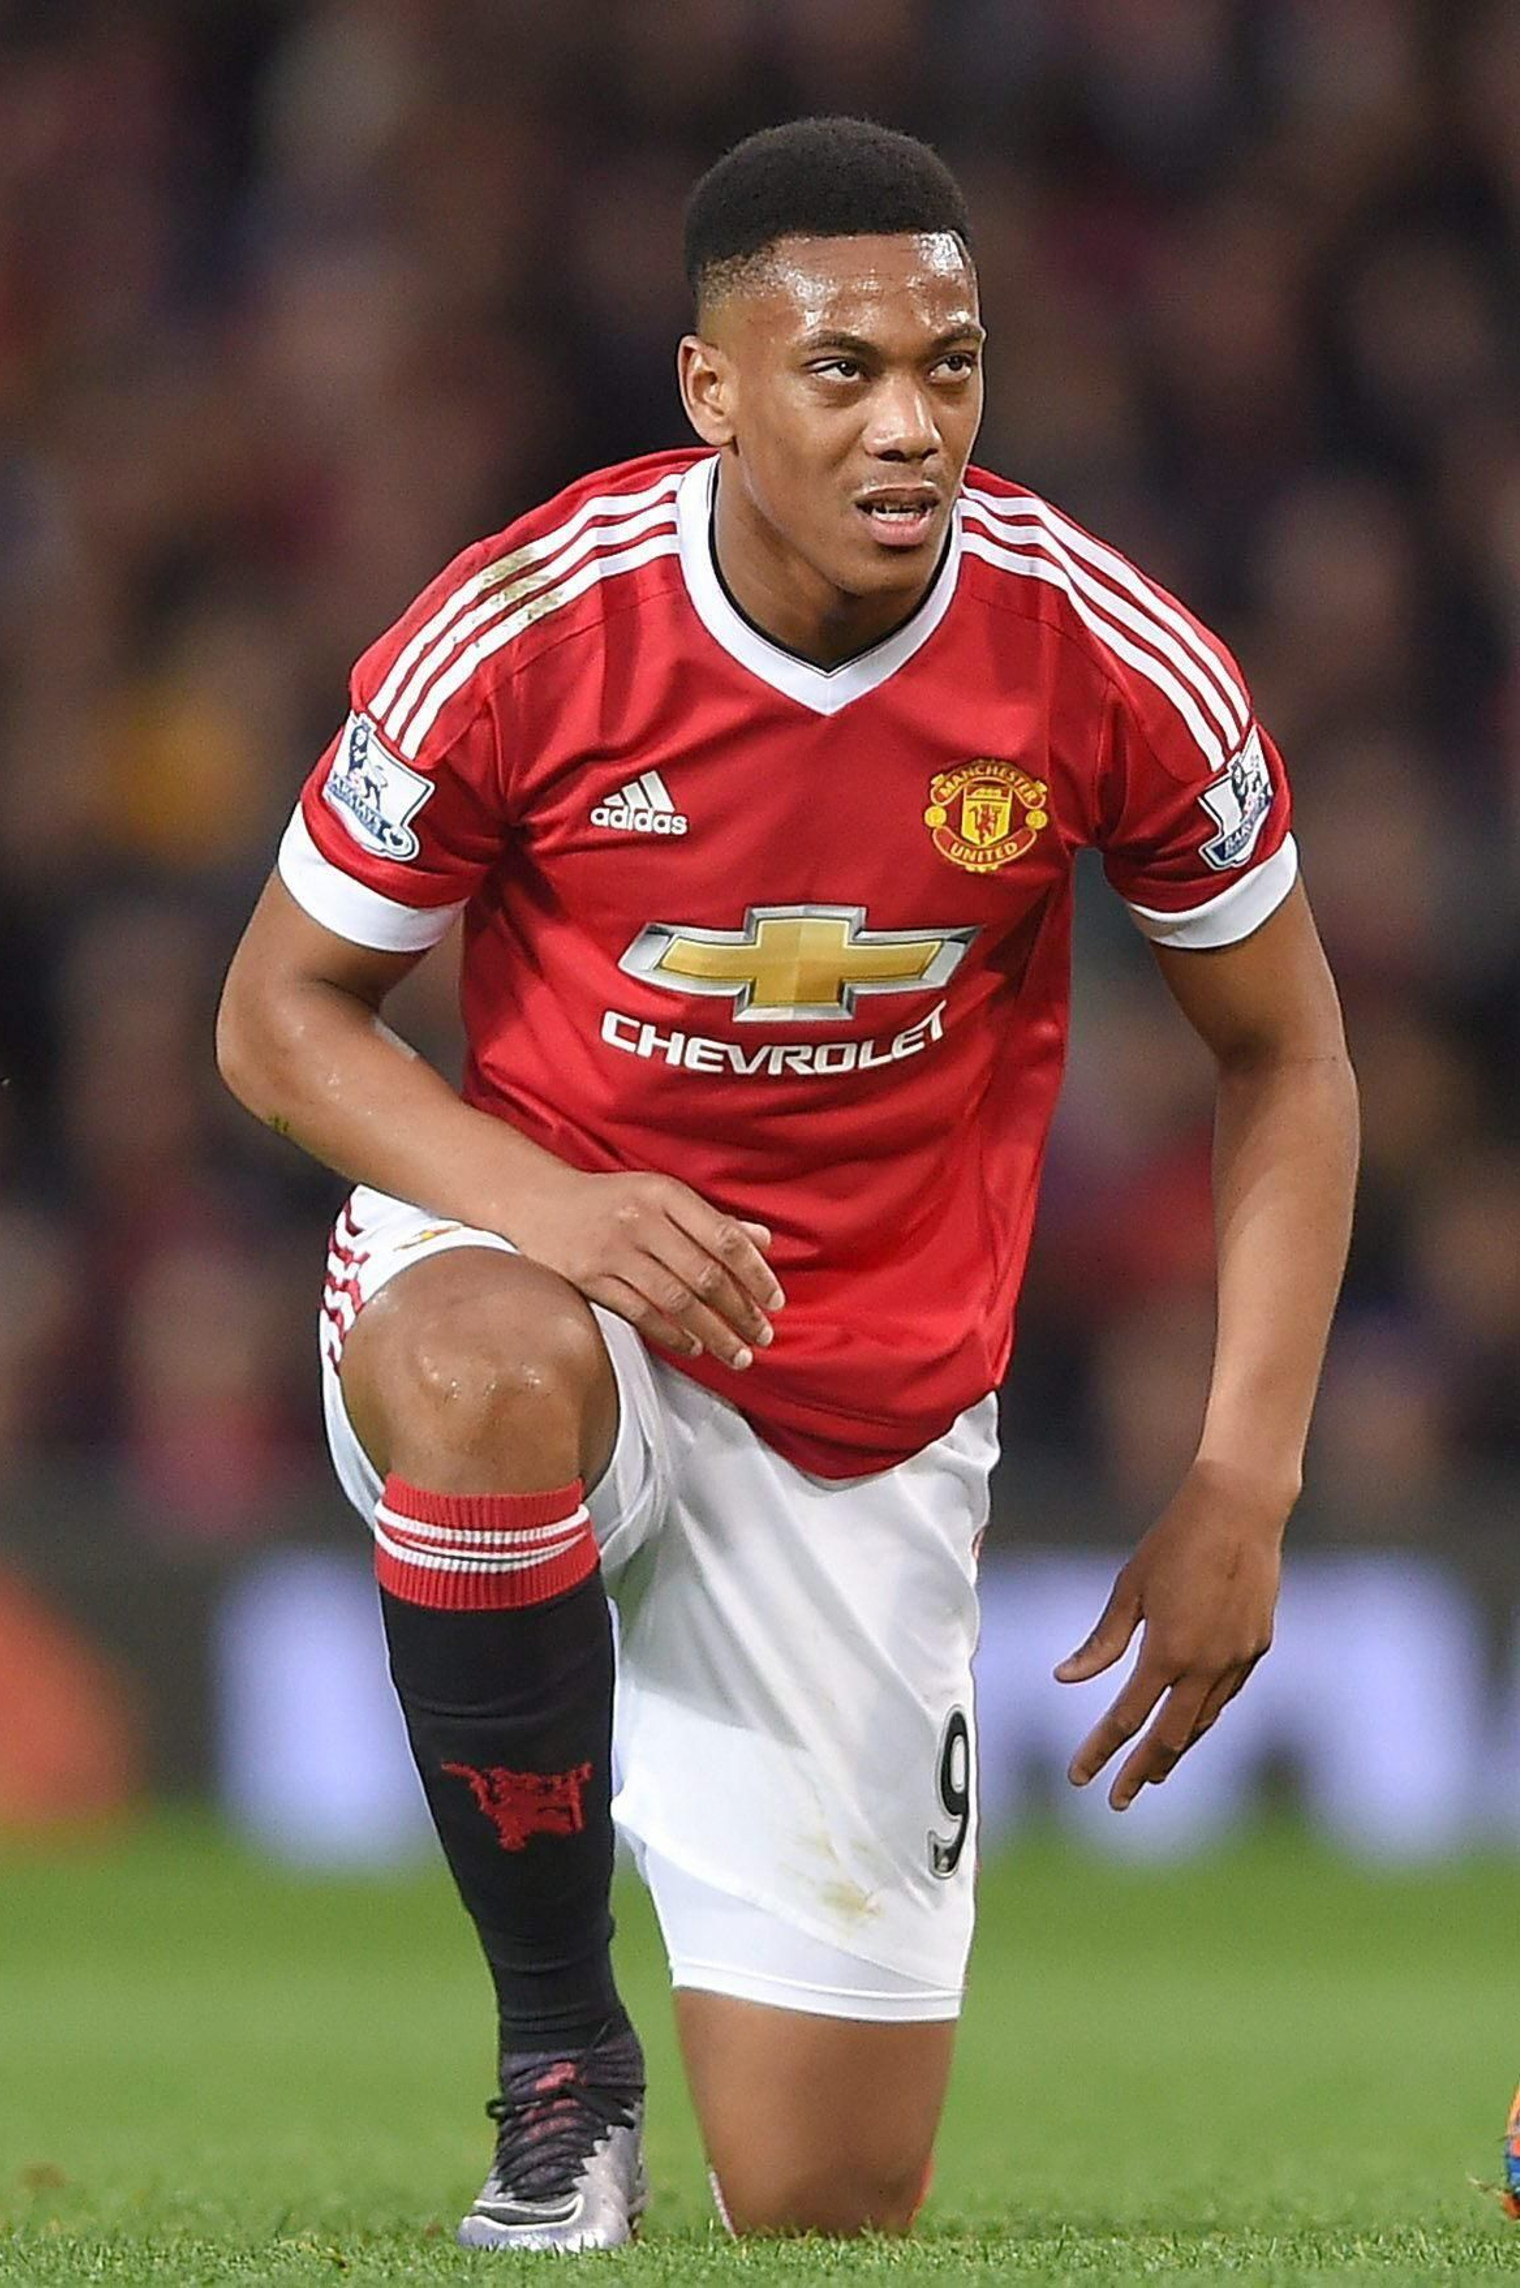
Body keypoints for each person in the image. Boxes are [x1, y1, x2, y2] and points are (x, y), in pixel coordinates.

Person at [216, 117, 1358, 2247]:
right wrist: (543, 1205)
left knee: (829, 2196)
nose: (909, 420)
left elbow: (1282, 1050)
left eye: (951, 365)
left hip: (861, 1394)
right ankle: (559, 2068)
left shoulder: (1109, 663)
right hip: (537, 1257)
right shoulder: (524, 628)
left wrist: (1243, 1476)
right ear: (709, 388)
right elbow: (277, 1016)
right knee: (474, 1366)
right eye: (844, 371)